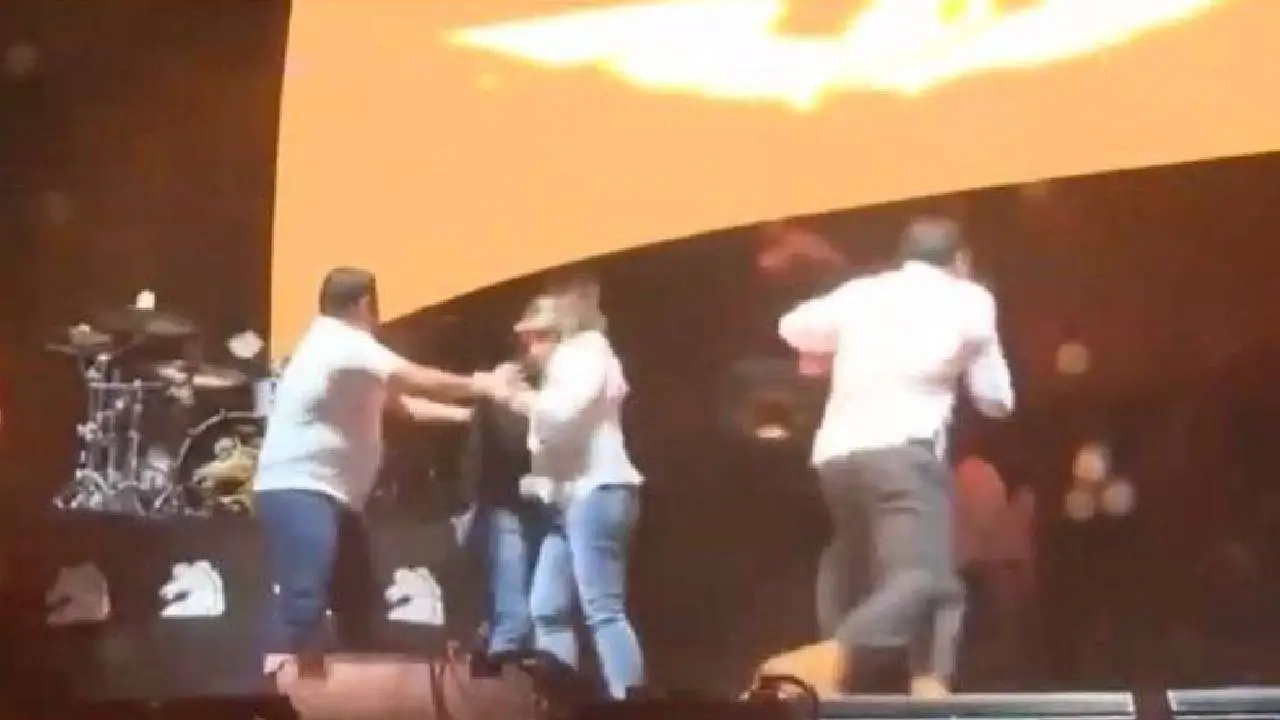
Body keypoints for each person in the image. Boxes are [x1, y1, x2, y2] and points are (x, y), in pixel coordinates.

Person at [760, 217, 1015, 697]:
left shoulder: (865, 293)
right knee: (923, 575)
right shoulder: (969, 298)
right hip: (904, 453)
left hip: (837, 457)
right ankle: (825, 661)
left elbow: (792, 326)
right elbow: (994, 399)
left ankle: (926, 682)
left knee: (860, 564)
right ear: (960, 260)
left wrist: (829, 351)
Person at [254, 266, 480, 684]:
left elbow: (401, 404)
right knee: (304, 592)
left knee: (355, 595)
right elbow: (417, 378)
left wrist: (469, 416)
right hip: (300, 487)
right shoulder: (342, 341)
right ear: (364, 304)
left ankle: (345, 688)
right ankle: (284, 688)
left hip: (332, 493)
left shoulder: (342, 351)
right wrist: (485, 385)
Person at [475, 282, 646, 700]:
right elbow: (559, 440)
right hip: (571, 501)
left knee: (603, 609)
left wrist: (511, 395)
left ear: (559, 332)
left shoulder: (585, 353)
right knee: (547, 608)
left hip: (598, 492)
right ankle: (559, 699)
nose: (529, 347)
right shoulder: (566, 366)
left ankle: (632, 702)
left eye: (536, 337)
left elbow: (560, 416)